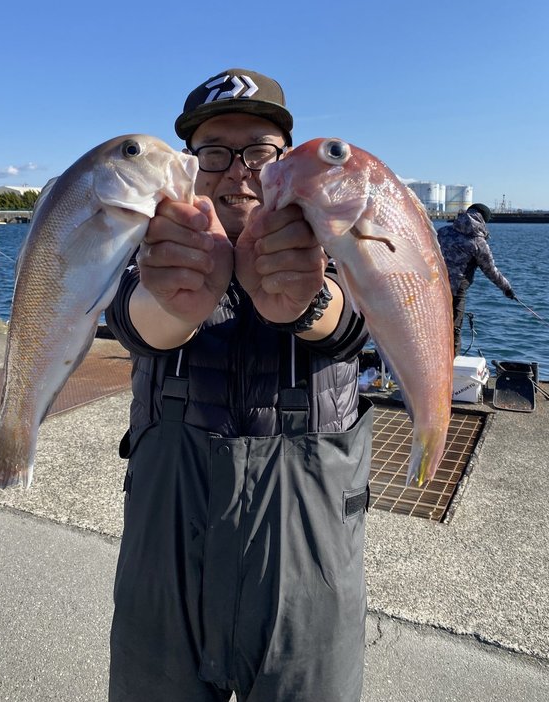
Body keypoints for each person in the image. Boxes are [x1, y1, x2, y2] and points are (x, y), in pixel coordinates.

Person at [105, 68, 372, 702]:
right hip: (166, 543)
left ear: (287, 159)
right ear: (188, 166)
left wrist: (307, 299)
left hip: (306, 555)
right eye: (214, 153)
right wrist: (175, 302)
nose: (237, 172)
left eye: (258, 152)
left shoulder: (337, 238)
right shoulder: (152, 246)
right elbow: (131, 319)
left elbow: (358, 321)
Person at [437, 203, 515, 355]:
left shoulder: (443, 232)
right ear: (483, 220)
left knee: (434, 326)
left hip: (434, 286)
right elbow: (490, 270)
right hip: (456, 289)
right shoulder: (478, 242)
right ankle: (450, 365)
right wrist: (507, 288)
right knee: (453, 329)